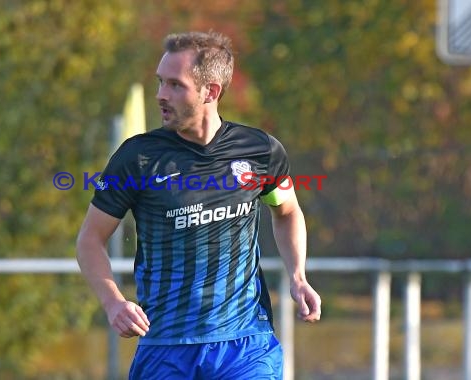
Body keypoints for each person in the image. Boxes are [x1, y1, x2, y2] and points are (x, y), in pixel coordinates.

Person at [76, 30, 321, 379]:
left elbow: (287, 210)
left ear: (212, 91)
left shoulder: (259, 151)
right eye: (160, 82)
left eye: (175, 85)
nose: (161, 95)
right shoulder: (138, 158)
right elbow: (89, 239)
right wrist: (113, 302)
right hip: (166, 347)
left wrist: (298, 276)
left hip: (246, 344)